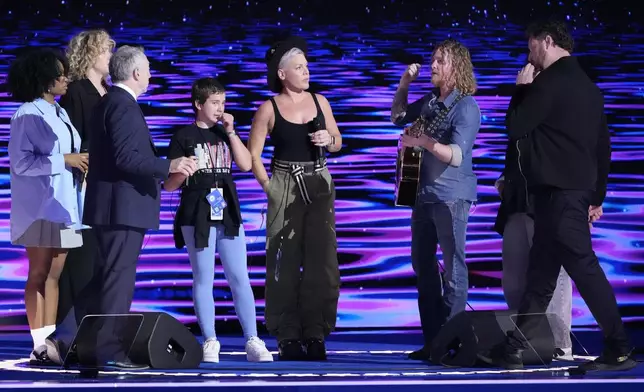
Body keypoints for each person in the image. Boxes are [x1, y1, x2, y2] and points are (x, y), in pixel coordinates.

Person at [478, 19, 636, 372]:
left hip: (559, 196)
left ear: (546, 42)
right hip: (569, 194)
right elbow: (603, 145)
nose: (528, 54)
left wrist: (521, 90)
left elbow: (516, 126)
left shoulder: (546, 83)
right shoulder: (589, 87)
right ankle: (516, 347)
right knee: (541, 275)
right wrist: (597, 195)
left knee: (583, 267)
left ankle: (619, 346)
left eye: (531, 45)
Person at [46, 45, 197, 368]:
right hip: (122, 209)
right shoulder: (123, 106)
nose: (151, 75)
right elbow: (127, 159)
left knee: (104, 278)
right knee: (117, 281)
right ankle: (108, 351)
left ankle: (64, 338)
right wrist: (169, 165)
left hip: (112, 207)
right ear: (137, 73)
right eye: (149, 70)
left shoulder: (108, 102)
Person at [164, 77, 273, 363]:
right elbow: (170, 185)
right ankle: (210, 339)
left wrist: (232, 132)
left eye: (223, 103)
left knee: (240, 276)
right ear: (198, 104)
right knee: (204, 277)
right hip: (196, 211)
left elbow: (247, 164)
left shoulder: (225, 134)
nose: (220, 108)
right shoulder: (183, 136)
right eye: (214, 103)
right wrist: (184, 170)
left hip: (226, 210)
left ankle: (252, 338)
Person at [247, 36, 342, 361]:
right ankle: (287, 334)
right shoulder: (268, 108)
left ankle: (316, 331)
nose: (306, 71)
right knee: (282, 263)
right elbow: (254, 155)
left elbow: (338, 142)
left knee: (322, 262)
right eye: (299, 67)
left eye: (306, 66)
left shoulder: (320, 101)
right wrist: (269, 187)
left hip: (318, 180)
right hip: (284, 182)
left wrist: (328, 138)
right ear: (282, 73)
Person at [391, 38, 481, 360]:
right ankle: (433, 341)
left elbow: (456, 155)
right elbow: (398, 116)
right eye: (433, 59)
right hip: (423, 195)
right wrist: (404, 84)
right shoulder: (429, 101)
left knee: (453, 268)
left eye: (440, 60)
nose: (433, 65)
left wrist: (423, 141)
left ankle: (451, 340)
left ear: (456, 67)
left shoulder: (466, 106)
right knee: (422, 264)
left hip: (451, 198)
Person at [7, 48, 88, 363]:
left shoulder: (60, 112)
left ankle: (50, 343)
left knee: (55, 273)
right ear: (44, 79)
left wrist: (80, 164)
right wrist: (64, 160)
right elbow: (21, 163)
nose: (66, 78)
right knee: (40, 272)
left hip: (66, 206)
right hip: (41, 206)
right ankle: (39, 342)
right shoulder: (27, 113)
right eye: (60, 73)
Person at [54, 28, 115, 350]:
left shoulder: (108, 91)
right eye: (106, 50)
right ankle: (69, 335)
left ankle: (95, 333)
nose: (111, 56)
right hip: (84, 188)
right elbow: (71, 140)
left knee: (103, 262)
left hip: (107, 187)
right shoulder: (77, 91)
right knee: (82, 260)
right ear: (91, 53)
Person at [493, 130, 574, 361]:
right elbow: (517, 156)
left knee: (554, 275)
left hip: (549, 202)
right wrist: (503, 183)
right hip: (516, 203)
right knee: (514, 277)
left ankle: (560, 344)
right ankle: (524, 340)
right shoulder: (522, 119)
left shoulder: (559, 116)